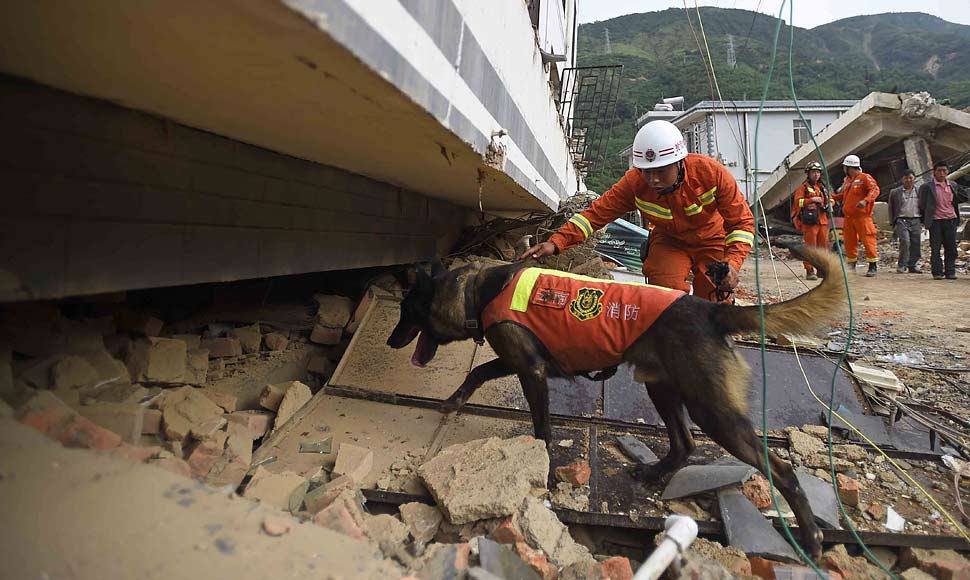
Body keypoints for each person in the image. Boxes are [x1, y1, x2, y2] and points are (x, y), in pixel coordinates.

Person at [518, 120, 755, 301]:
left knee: (715, 297)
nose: (652, 179)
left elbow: (742, 224)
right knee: (662, 296)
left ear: (679, 162)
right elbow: (594, 215)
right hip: (668, 241)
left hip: (712, 239)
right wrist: (556, 242)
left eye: (660, 171)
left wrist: (732, 263)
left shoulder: (711, 174)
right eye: (646, 171)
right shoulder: (634, 183)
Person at [918, 161, 969, 280]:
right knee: (935, 248)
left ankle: (950, 272)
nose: (942, 173)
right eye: (939, 171)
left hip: (950, 219)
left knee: (950, 247)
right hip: (935, 221)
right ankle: (937, 272)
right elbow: (921, 204)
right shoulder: (927, 187)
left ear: (947, 172)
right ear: (934, 172)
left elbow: (963, 197)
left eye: (944, 171)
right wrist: (925, 220)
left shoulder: (952, 185)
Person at [832, 154, 879, 277]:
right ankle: (851, 265)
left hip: (862, 218)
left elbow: (874, 189)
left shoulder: (865, 177)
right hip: (848, 218)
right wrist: (831, 196)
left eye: (845, 167)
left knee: (868, 241)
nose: (843, 170)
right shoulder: (848, 181)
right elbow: (843, 196)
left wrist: (865, 200)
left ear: (849, 167)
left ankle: (872, 266)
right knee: (849, 242)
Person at [790, 161, 831, 280]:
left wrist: (829, 204)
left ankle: (821, 269)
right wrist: (811, 200)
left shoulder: (822, 188)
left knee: (822, 247)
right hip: (810, 223)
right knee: (810, 247)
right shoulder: (803, 188)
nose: (816, 175)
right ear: (808, 173)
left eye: (818, 172)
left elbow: (830, 199)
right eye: (813, 172)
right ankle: (809, 270)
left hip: (822, 221)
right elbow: (798, 202)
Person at [887, 169, 922, 273]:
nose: (908, 180)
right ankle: (902, 265)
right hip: (902, 220)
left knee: (916, 243)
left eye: (910, 178)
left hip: (916, 219)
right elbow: (891, 208)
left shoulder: (919, 190)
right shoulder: (895, 192)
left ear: (914, 178)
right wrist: (892, 222)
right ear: (902, 179)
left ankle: (913, 265)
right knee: (905, 242)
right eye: (906, 178)